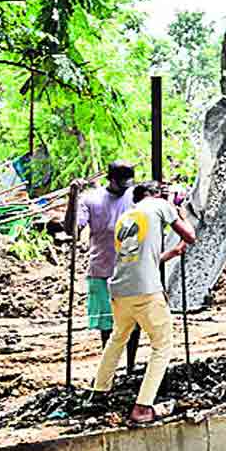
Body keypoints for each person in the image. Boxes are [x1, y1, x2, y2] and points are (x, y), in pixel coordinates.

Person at [89, 181, 196, 425]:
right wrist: (181, 214)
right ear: (154, 195)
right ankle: (142, 407)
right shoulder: (159, 205)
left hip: (120, 289)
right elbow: (190, 235)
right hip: (146, 291)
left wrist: (172, 253)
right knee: (162, 345)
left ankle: (99, 391)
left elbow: (141, 258)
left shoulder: (127, 216)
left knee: (118, 338)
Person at [65, 161, 141, 374]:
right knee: (107, 325)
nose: (125, 188)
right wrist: (73, 198)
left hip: (131, 269)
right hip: (101, 269)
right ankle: (110, 368)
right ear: (111, 179)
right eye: (121, 183)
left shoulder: (135, 195)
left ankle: (131, 366)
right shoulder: (91, 199)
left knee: (134, 322)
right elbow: (71, 229)